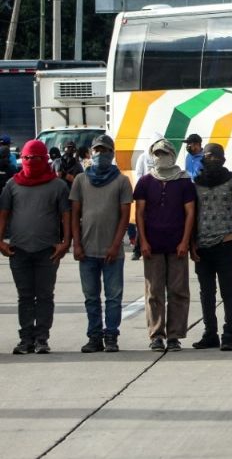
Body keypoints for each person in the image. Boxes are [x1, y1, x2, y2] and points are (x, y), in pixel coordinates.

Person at [0, 140, 71, 354]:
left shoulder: (57, 185)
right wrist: (0, 240)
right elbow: (3, 214)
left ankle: (42, 338)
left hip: (47, 251)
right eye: (28, 158)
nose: (32, 162)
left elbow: (66, 215)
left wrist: (66, 242)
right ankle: (25, 339)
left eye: (37, 158)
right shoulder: (12, 185)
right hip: (18, 250)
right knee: (25, 296)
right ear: (22, 158)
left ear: (45, 159)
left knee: (45, 296)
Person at [70, 135, 133, 353]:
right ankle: (94, 336)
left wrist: (116, 245)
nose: (100, 155)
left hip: (112, 251)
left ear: (112, 153)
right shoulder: (80, 180)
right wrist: (76, 245)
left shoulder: (122, 181)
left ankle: (111, 336)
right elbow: (74, 214)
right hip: (87, 251)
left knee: (114, 297)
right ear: (91, 152)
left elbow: (125, 216)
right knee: (91, 298)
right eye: (97, 150)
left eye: (105, 151)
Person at [134, 138, 196, 352]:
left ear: (172, 155)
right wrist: (142, 240)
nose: (162, 158)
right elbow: (140, 213)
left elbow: (190, 213)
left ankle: (175, 335)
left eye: (165, 153)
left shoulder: (184, 181)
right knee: (154, 292)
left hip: (177, 244)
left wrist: (185, 241)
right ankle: (156, 334)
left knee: (179, 291)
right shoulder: (145, 182)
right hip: (152, 245)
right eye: (158, 154)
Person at [191, 143, 232, 351]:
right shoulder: (196, 183)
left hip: (224, 243)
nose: (212, 160)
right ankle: (210, 334)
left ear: (223, 159)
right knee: (206, 293)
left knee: (227, 291)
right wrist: (192, 243)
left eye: (216, 156)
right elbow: (191, 214)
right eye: (208, 156)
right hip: (202, 245)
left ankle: (229, 335)